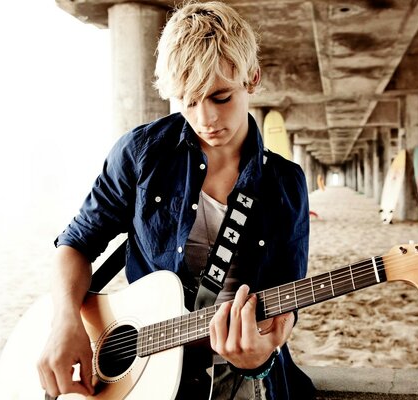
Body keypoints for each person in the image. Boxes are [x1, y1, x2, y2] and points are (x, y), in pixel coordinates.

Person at [37, 1, 315, 399]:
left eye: (221, 97)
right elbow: (76, 244)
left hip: (235, 374)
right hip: (142, 366)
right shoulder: (141, 151)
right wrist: (65, 321)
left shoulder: (286, 182)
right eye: (188, 100)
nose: (206, 119)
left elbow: (286, 304)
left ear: (252, 78)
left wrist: (260, 356)